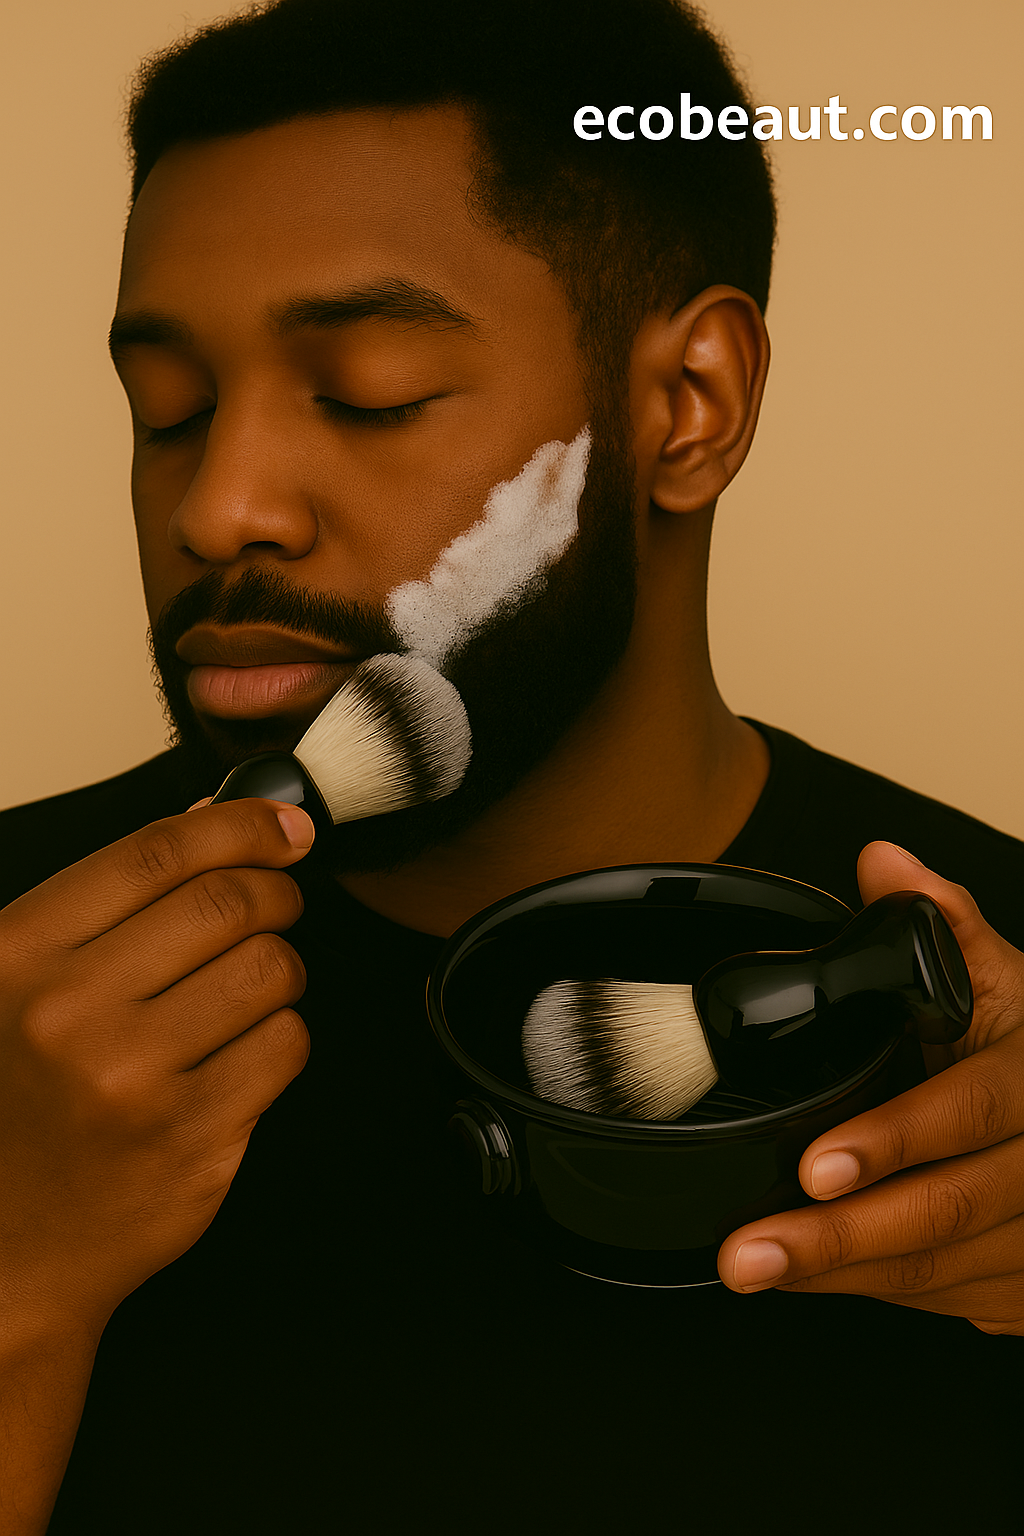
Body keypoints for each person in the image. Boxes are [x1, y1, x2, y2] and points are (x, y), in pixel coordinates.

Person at [1, 1, 1021, 1530]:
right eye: (170, 413)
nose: (217, 508)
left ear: (689, 407)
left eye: (368, 393)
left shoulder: (991, 1024)